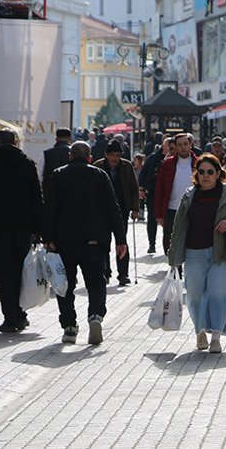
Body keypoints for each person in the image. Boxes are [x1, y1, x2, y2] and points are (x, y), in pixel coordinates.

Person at [42, 141, 127, 345]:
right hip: (94, 240)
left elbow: (49, 208)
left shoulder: (58, 174)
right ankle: (95, 316)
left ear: (70, 156)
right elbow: (112, 207)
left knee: (65, 284)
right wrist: (120, 239)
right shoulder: (100, 175)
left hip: (64, 240)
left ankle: (69, 326)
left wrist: (47, 238)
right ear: (89, 158)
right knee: (96, 282)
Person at [168, 154, 226, 354]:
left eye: (210, 172)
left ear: (218, 173)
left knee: (219, 293)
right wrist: (173, 256)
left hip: (222, 254)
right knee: (194, 295)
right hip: (194, 253)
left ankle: (216, 337)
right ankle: (200, 330)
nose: (205, 176)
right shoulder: (189, 196)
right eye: (201, 172)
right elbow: (178, 227)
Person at [0, 128, 42, 333]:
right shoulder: (27, 162)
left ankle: (9, 318)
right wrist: (39, 227)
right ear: (15, 142)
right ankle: (20, 314)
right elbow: (36, 196)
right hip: (23, 225)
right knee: (22, 270)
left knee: (4, 272)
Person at [94, 140, 139, 286]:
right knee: (103, 242)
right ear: (106, 155)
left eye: (118, 155)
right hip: (102, 211)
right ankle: (105, 272)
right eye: (112, 155)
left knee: (122, 241)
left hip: (121, 210)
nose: (115, 158)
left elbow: (134, 188)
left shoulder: (126, 166)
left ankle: (123, 274)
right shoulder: (98, 166)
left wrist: (135, 208)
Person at [155, 133, 197, 255]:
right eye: (179, 145)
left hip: (193, 210)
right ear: (175, 147)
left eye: (185, 144)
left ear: (190, 145)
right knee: (171, 246)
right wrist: (158, 214)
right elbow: (159, 189)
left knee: (193, 245)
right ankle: (175, 266)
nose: (183, 147)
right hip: (172, 210)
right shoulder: (167, 164)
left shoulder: (199, 163)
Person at [140, 137, 173, 253]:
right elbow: (144, 173)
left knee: (168, 221)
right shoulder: (153, 158)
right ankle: (152, 244)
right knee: (152, 219)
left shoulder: (176, 159)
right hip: (153, 193)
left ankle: (168, 245)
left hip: (169, 195)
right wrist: (141, 188)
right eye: (168, 146)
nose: (170, 149)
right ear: (163, 146)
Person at [42, 127, 72, 193]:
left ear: (56, 139)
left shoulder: (46, 153)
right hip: (69, 192)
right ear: (70, 139)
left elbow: (40, 174)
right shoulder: (74, 153)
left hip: (50, 192)